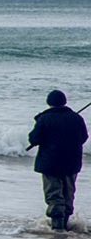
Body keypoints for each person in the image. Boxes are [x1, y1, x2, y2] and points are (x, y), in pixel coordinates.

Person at [28, 89, 88, 231]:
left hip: (50, 163)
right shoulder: (76, 118)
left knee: (54, 194)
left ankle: (57, 229)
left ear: (49, 103)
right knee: (68, 193)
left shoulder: (44, 119)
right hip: (71, 162)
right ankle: (64, 226)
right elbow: (84, 137)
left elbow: (33, 139)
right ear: (64, 102)